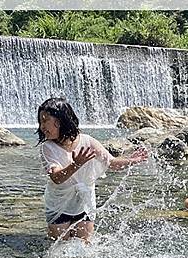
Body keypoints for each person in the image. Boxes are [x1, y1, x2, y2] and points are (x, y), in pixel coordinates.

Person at [37, 97, 147, 241]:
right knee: (59, 249)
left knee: (85, 246)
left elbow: (111, 163)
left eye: (45, 121)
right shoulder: (47, 148)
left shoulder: (87, 141)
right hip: (59, 205)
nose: (42, 127)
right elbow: (57, 178)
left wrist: (132, 161)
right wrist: (76, 164)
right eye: (40, 122)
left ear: (60, 120)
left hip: (84, 202)